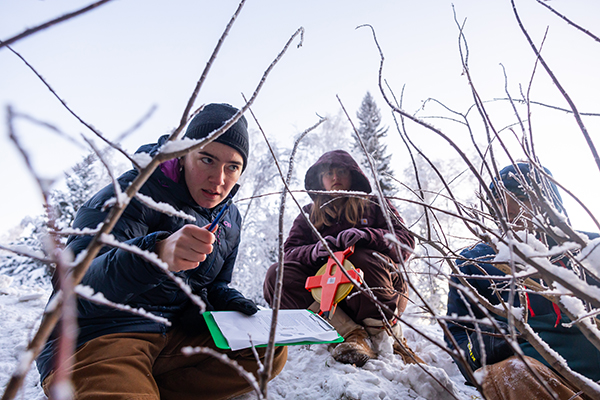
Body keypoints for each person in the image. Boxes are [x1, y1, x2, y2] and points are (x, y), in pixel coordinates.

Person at [37, 103, 287, 400]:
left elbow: (215, 283)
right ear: (183, 154)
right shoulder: (130, 192)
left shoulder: (230, 218)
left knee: (268, 349)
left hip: (172, 338)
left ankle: (140, 386)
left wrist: (226, 300)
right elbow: (75, 286)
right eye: (207, 159)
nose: (219, 179)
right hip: (100, 336)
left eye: (232, 166)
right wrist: (155, 254)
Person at [445, 162, 600, 400]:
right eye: (498, 199)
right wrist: (484, 347)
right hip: (537, 385)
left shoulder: (590, 247)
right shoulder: (474, 262)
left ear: (549, 203)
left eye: (520, 197)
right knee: (511, 372)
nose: (507, 208)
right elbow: (457, 334)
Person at [263, 150, 420, 367]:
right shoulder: (308, 214)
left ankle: (384, 336)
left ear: (353, 175)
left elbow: (405, 241)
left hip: (381, 290)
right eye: (329, 174)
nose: (335, 178)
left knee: (362, 255)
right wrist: (315, 251)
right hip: (328, 297)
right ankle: (350, 333)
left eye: (341, 171)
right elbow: (288, 252)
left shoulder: (375, 205)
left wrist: (367, 236)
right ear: (320, 180)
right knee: (277, 274)